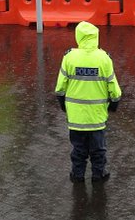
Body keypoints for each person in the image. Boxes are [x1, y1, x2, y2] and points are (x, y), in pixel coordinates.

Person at [54, 21, 122, 184]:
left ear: (78, 36)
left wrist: (62, 103)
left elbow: (60, 86)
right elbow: (113, 86)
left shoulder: (69, 57)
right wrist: (114, 102)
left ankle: (77, 175)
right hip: (96, 117)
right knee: (98, 150)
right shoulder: (104, 58)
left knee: (78, 149)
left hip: (76, 117)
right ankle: (98, 176)